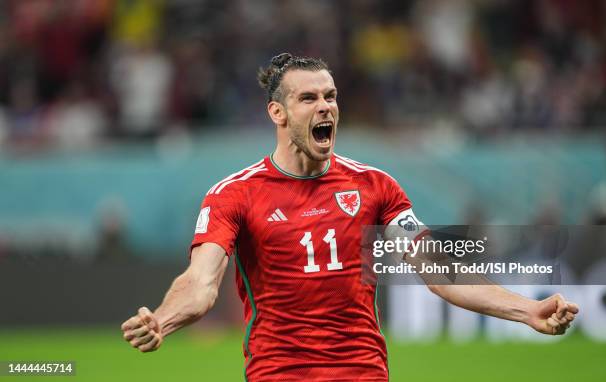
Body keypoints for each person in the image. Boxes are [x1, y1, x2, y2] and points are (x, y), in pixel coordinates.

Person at [121, 53, 579, 381]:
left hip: (363, 372)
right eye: (308, 98)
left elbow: (438, 271)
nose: (325, 106)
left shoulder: (375, 187)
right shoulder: (234, 195)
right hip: (279, 373)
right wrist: (163, 319)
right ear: (277, 112)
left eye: (331, 96)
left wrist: (527, 310)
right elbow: (200, 284)